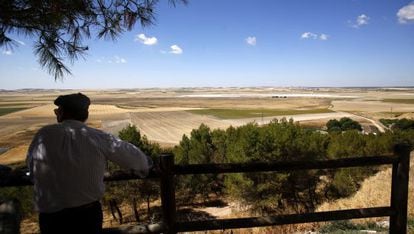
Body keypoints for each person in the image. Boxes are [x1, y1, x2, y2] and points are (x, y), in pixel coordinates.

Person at [26, 93, 152, 234]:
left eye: (57, 111)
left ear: (61, 113)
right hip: (86, 216)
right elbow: (139, 161)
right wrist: (148, 163)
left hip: (50, 219)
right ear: (85, 114)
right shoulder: (97, 137)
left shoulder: (43, 135)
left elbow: (32, 168)